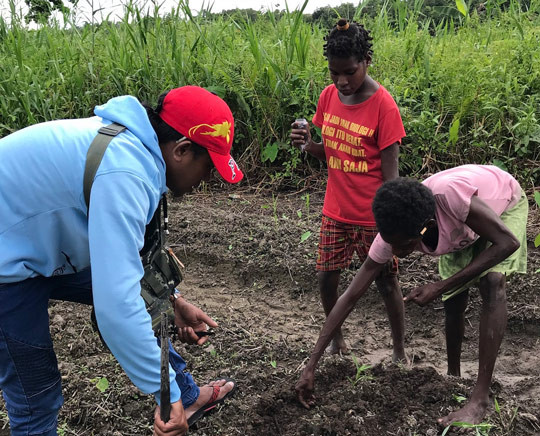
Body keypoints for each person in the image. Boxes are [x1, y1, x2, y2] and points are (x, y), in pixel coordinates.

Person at [0, 86, 242, 436]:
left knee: (144, 293)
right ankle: (179, 396)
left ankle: (186, 396)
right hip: (8, 264)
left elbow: (130, 274)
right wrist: (164, 396)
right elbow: (116, 308)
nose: (208, 179)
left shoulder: (139, 148)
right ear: (182, 150)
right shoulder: (127, 173)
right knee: (36, 396)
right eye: (208, 168)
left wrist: (171, 302)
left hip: (30, 238)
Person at [295, 164, 528, 427]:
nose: (394, 251)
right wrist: (311, 365)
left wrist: (439, 286)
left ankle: (479, 400)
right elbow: (350, 296)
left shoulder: (450, 200)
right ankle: (453, 376)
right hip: (462, 229)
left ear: (425, 228)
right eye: (391, 244)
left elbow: (507, 242)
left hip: (502, 205)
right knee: (454, 301)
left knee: (492, 283)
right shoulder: (395, 232)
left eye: (404, 245)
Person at [290, 19, 406, 358]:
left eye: (349, 72)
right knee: (327, 279)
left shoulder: (384, 107)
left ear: (367, 61)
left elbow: (392, 178)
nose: (341, 81)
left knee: (386, 283)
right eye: (334, 73)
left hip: (372, 217)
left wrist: (391, 224)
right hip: (335, 212)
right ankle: (337, 341)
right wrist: (308, 144)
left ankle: (399, 351)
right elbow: (332, 152)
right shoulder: (329, 97)